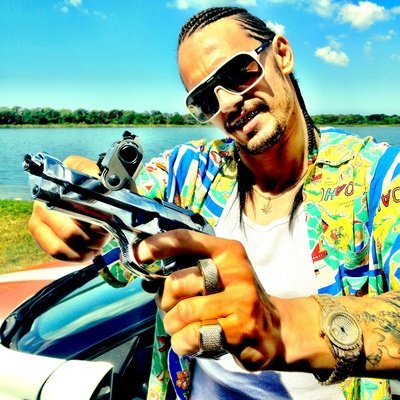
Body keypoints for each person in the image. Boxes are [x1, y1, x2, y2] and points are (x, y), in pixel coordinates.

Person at [28, 6, 400, 400]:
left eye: (238, 72)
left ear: (282, 54)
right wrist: (82, 197)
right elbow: (125, 212)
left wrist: (282, 326)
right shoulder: (189, 171)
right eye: (206, 99)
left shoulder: (379, 176)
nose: (227, 103)